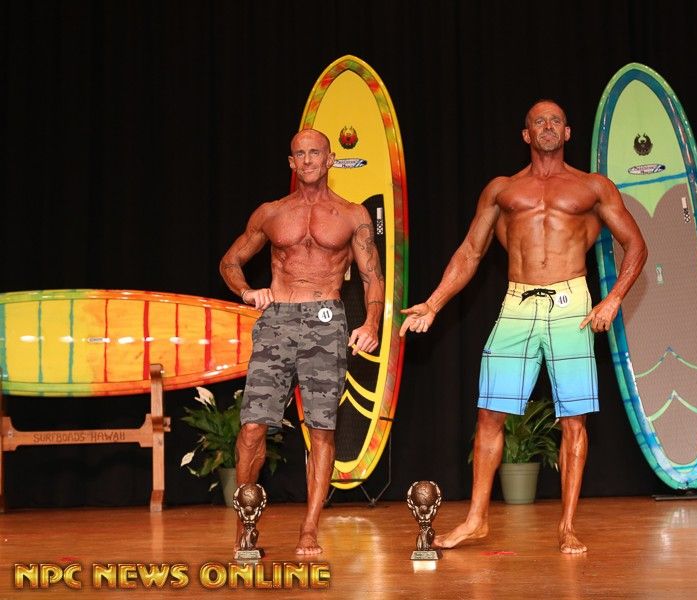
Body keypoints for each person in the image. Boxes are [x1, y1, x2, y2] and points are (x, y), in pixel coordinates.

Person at [400, 100, 647, 554]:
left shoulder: (592, 187)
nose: (547, 126)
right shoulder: (502, 190)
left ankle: (567, 526)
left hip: (572, 303)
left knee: (574, 418)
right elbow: (470, 252)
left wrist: (613, 299)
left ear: (567, 132)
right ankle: (476, 519)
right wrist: (433, 303)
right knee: (489, 412)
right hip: (517, 301)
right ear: (526, 134)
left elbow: (636, 244)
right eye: (539, 121)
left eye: (556, 121)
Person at [220, 128, 384, 555]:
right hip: (277, 319)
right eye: (300, 154)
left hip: (326, 321)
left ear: (330, 160)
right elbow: (230, 261)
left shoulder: (352, 215)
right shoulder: (271, 213)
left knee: (322, 429)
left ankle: (309, 528)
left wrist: (371, 324)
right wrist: (246, 291)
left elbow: (373, 276)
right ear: (291, 163)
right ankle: (245, 525)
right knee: (252, 426)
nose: (308, 160)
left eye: (315, 153)